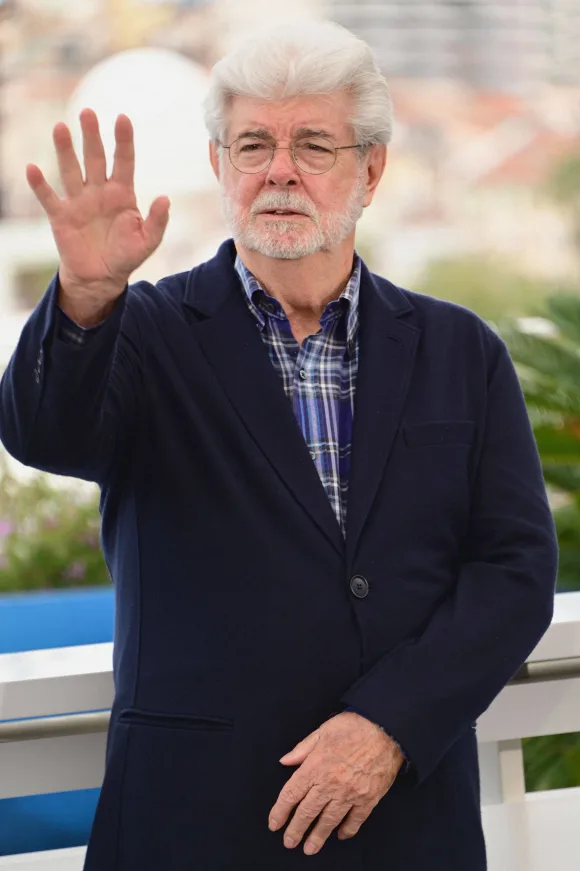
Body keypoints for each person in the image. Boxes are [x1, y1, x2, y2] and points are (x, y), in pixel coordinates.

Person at [0, 20, 558, 871]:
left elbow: (515, 570)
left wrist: (390, 723)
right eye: (252, 143)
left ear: (370, 168)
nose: (279, 170)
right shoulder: (140, 332)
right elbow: (45, 434)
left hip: (406, 826)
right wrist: (82, 295)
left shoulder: (460, 349)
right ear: (220, 166)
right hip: (194, 825)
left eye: (313, 144)